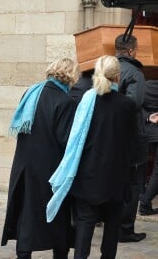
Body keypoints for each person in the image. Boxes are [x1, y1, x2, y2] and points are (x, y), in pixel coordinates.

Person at [1, 58, 80, 259]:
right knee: (57, 215)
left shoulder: (31, 93)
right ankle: (60, 253)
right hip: (50, 168)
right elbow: (65, 140)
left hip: (25, 164)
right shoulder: (65, 102)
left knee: (27, 213)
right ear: (70, 76)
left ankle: (24, 253)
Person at [65, 55, 135, 259]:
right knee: (111, 231)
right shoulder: (127, 105)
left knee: (84, 228)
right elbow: (130, 142)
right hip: (115, 177)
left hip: (88, 175)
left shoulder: (86, 100)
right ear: (118, 77)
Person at [115, 34, 148, 243]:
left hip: (109, 137)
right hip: (131, 137)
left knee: (117, 182)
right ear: (129, 51)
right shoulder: (134, 72)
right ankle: (125, 229)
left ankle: (112, 223)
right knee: (134, 184)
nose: (137, 52)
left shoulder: (105, 68)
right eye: (136, 49)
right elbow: (132, 105)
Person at [139, 80, 158, 215]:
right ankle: (145, 203)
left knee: (142, 167)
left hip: (144, 130)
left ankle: (143, 199)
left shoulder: (143, 85)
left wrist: (147, 117)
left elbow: (136, 105)